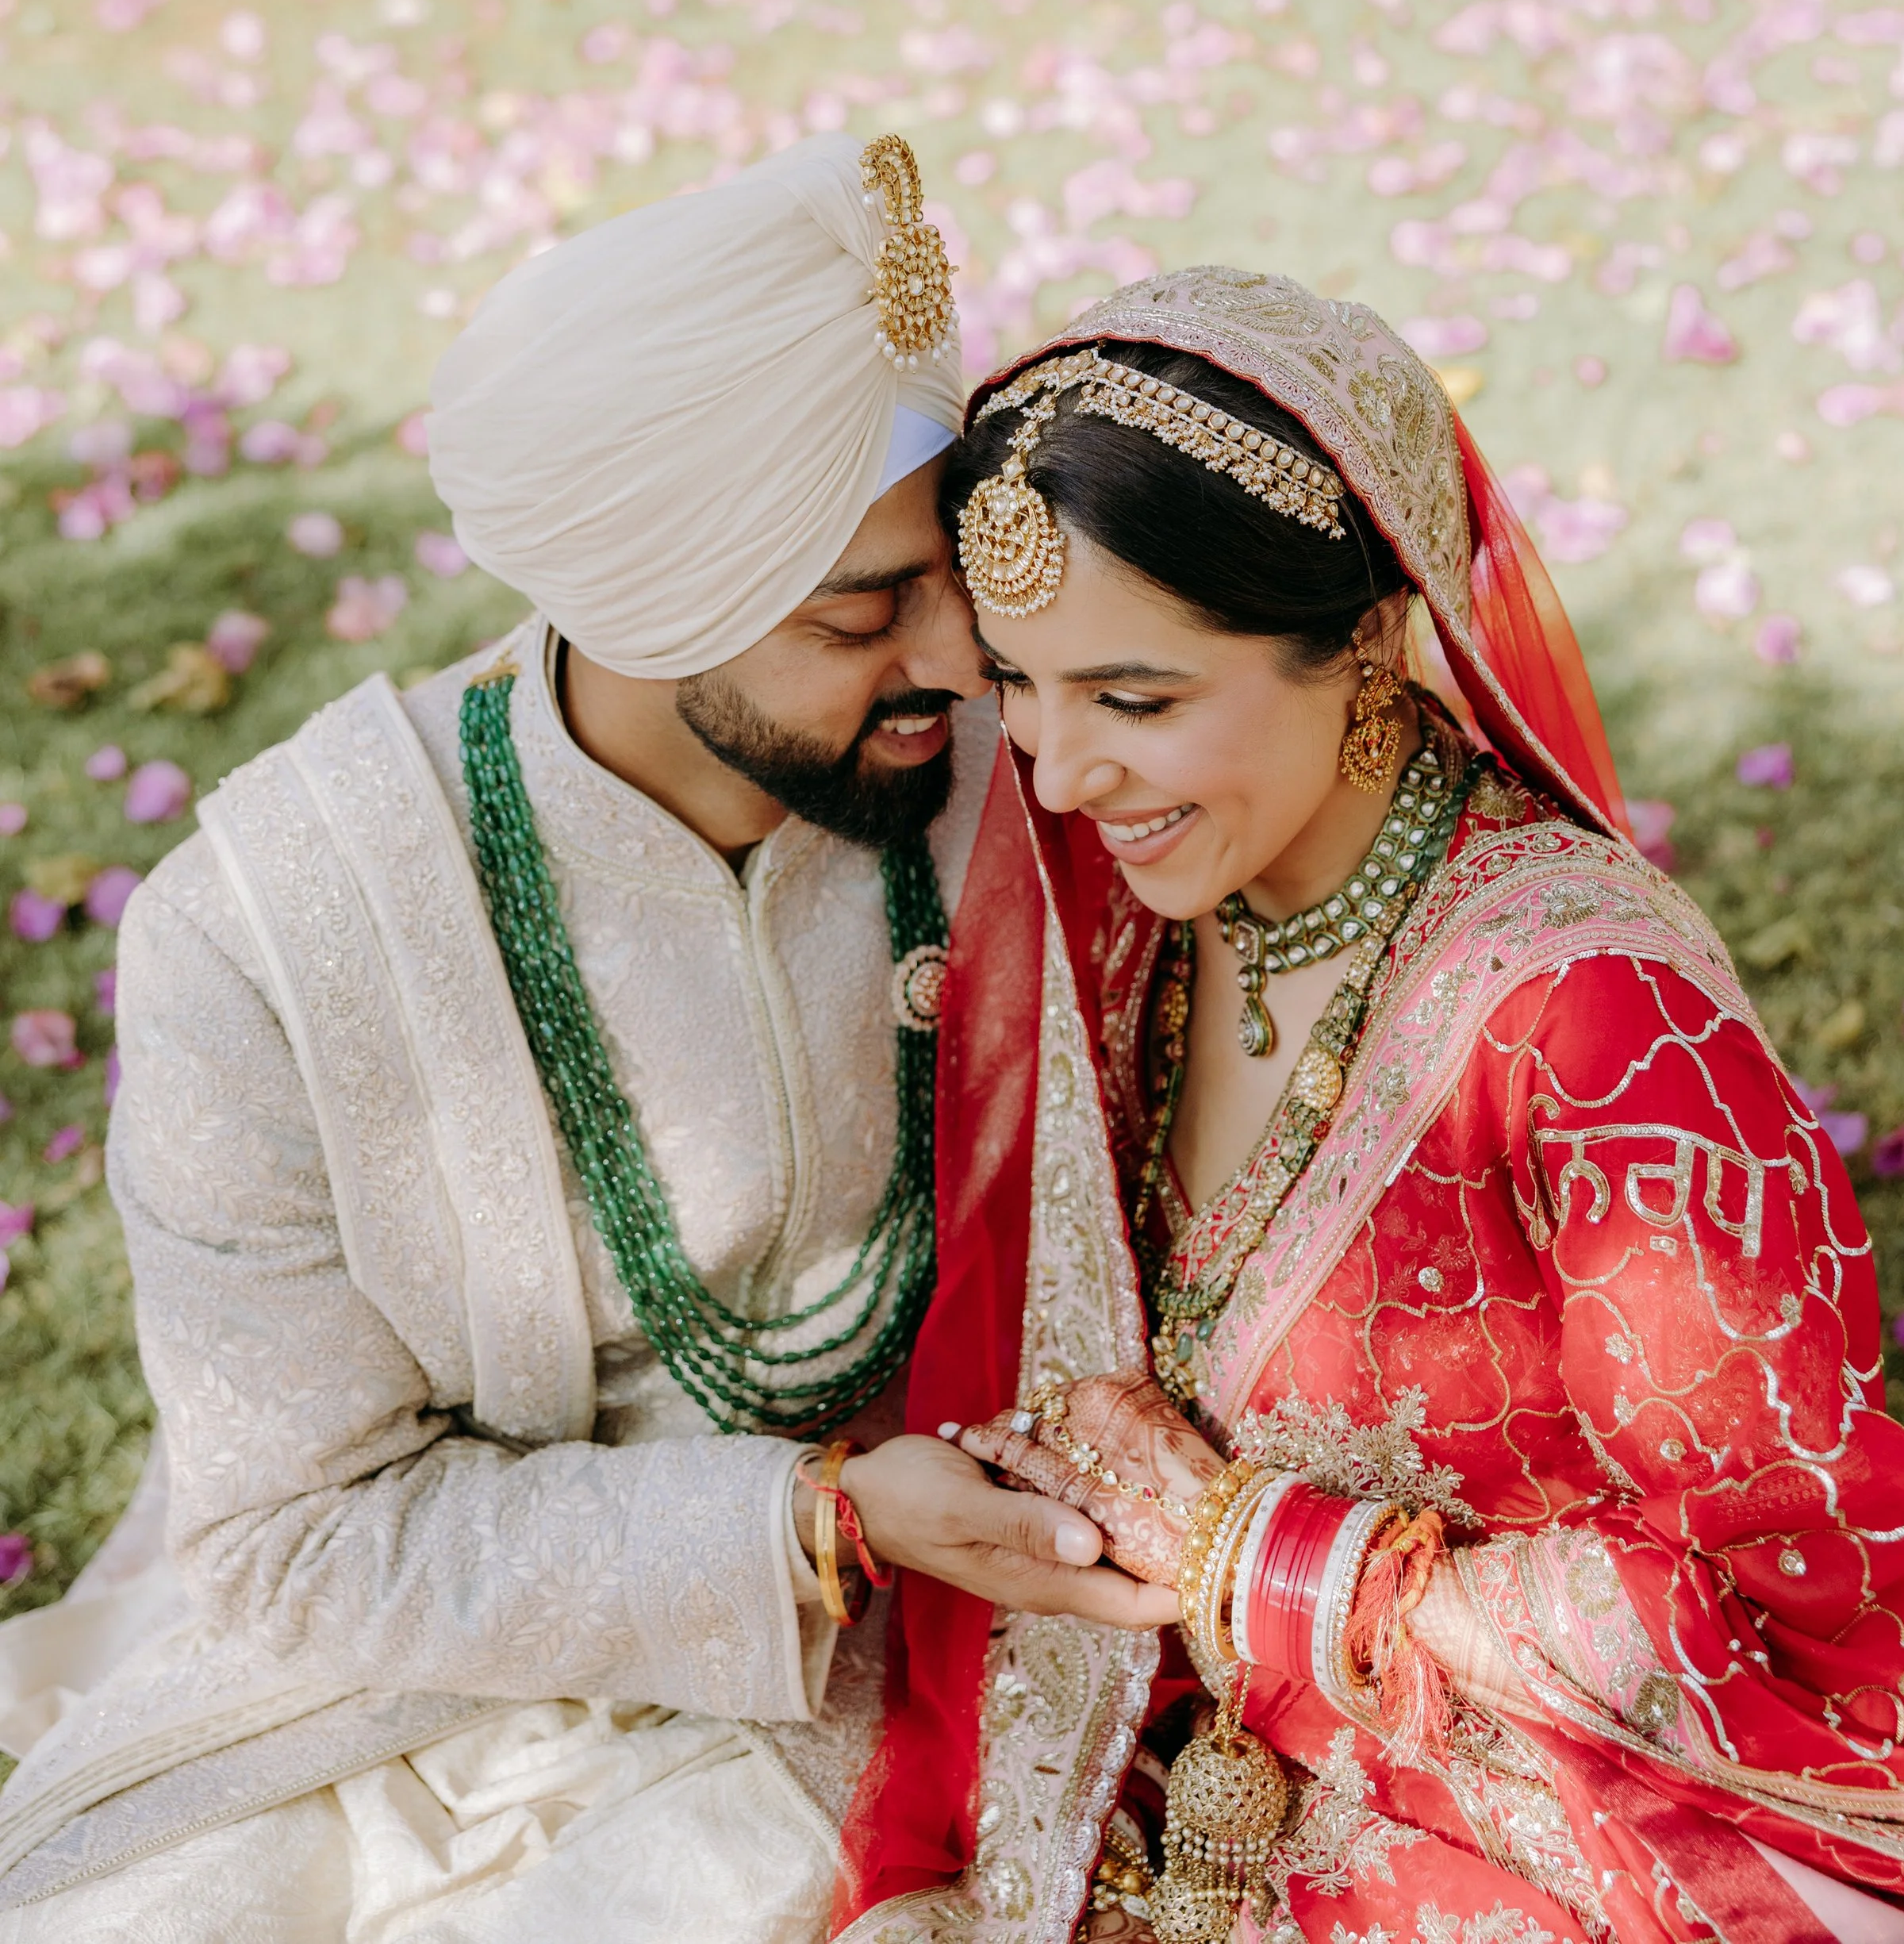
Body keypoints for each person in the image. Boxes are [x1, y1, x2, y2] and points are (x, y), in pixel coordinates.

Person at [0, 134, 1162, 1943]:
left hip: (880, 1664)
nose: (959, 658)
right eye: (862, 610)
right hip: (378, 1683)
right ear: (644, 610)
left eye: (948, 572)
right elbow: (290, 1545)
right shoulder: (269, 939)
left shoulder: (1033, 780)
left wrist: (862, 1540)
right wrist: (805, 1518)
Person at [835, 267, 1904, 1944]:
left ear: (1367, 635)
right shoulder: (1118, 898)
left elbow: (1771, 1597)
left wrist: (1252, 1548)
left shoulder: (1590, 1032)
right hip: (1175, 1745)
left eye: (1135, 699)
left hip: (1549, 1813)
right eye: (1018, 684)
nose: (1058, 772)